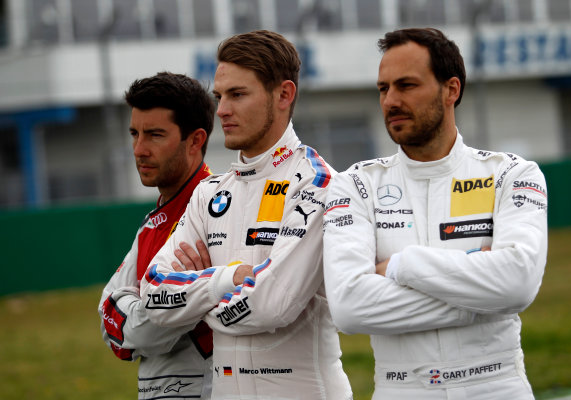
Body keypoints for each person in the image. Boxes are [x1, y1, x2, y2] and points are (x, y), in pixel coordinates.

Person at [323, 28, 548, 399]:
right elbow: (349, 309)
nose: (391, 101)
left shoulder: (511, 174)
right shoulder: (355, 185)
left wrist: (399, 267)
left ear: (451, 90)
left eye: (406, 85)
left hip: (496, 385)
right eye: (383, 88)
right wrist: (481, 298)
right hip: (402, 388)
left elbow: (518, 283)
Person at [140, 30, 352, 399]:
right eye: (219, 96)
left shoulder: (316, 183)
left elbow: (271, 305)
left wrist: (196, 298)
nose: (221, 109)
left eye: (237, 95)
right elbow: (153, 296)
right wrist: (229, 279)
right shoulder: (210, 193)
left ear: (284, 95)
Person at [98, 72, 215, 399]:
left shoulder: (214, 212)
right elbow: (107, 307)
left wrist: (130, 312)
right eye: (135, 133)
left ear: (195, 140)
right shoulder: (155, 219)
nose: (139, 149)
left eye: (155, 135)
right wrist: (137, 312)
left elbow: (153, 333)